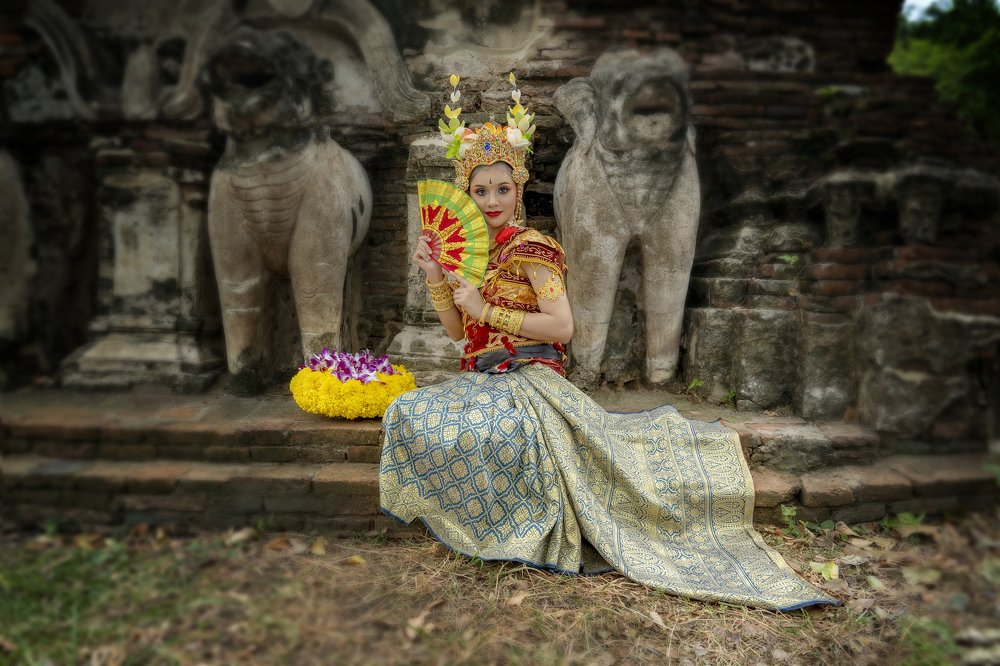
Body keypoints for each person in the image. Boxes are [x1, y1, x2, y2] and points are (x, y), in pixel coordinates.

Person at [379, 78, 838, 611]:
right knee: (407, 411)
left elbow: (562, 328)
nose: (492, 201)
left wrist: (487, 310)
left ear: (518, 187)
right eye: (480, 191)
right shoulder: (471, 254)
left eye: (502, 188)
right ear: (466, 193)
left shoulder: (533, 249)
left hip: (529, 377)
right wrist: (437, 276)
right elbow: (458, 335)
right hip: (482, 378)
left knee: (486, 434)